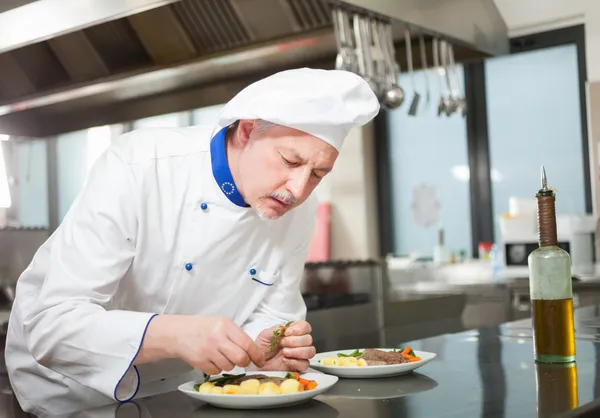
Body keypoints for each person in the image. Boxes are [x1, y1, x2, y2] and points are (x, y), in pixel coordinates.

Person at [5, 67, 380, 415]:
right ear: (247, 130)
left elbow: (273, 314)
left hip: (189, 391)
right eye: (290, 161)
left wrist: (260, 350)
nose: (298, 190)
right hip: (77, 394)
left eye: (317, 173)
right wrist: (172, 333)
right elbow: (51, 325)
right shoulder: (138, 165)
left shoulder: (299, 208)